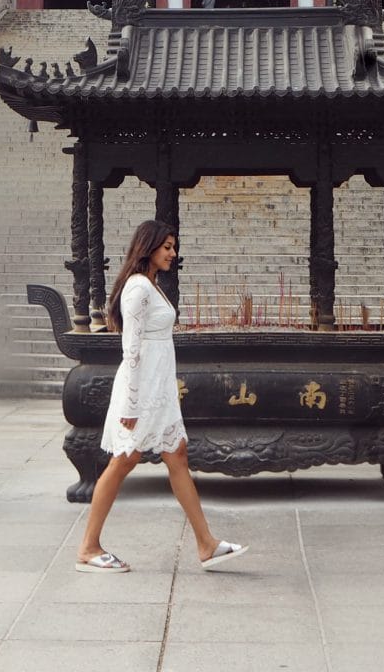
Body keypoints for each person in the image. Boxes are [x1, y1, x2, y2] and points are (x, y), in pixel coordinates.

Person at [76, 219, 249, 573]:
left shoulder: (151, 286)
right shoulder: (138, 288)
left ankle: (206, 544)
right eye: (167, 246)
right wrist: (130, 404)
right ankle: (88, 548)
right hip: (140, 392)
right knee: (123, 459)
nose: (173, 253)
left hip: (160, 390)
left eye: (174, 246)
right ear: (148, 247)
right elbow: (132, 350)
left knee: (177, 455)